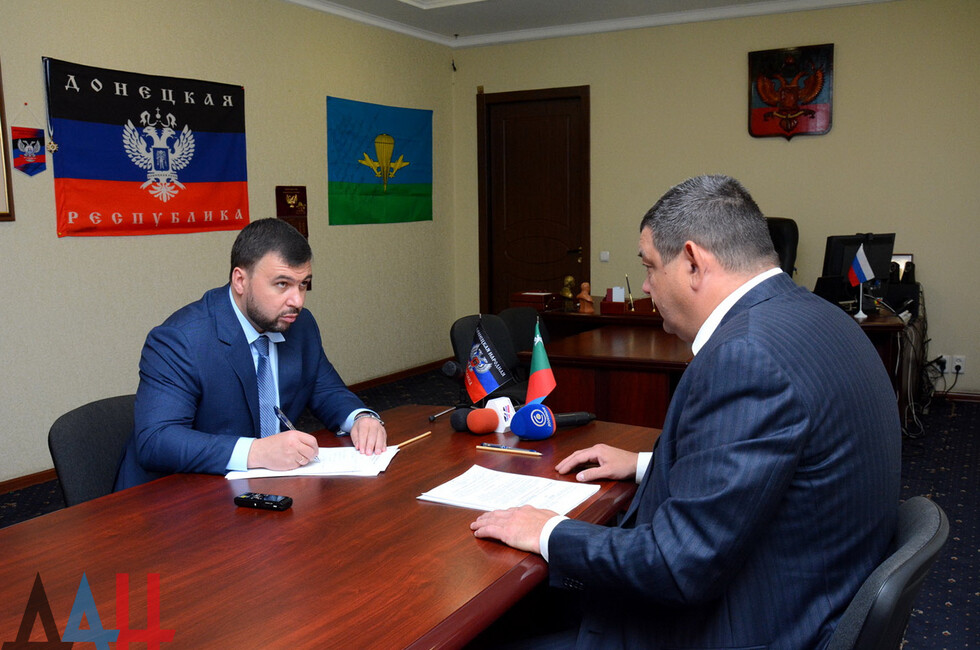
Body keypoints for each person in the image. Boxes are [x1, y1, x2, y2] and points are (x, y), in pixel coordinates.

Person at [471, 175, 901, 648]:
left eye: (650, 267)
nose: (647, 286)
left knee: (491, 631)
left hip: (745, 627)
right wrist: (645, 464)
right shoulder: (818, 316)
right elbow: (779, 461)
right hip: (809, 592)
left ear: (693, 262)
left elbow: (677, 565)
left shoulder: (746, 356)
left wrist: (548, 531)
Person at [115, 218, 386, 490]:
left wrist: (360, 418)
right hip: (171, 497)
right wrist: (257, 452)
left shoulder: (300, 325)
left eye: (303, 284)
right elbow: (157, 440)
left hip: (259, 490)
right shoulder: (181, 339)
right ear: (240, 280)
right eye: (282, 284)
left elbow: (325, 389)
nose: (297, 301)